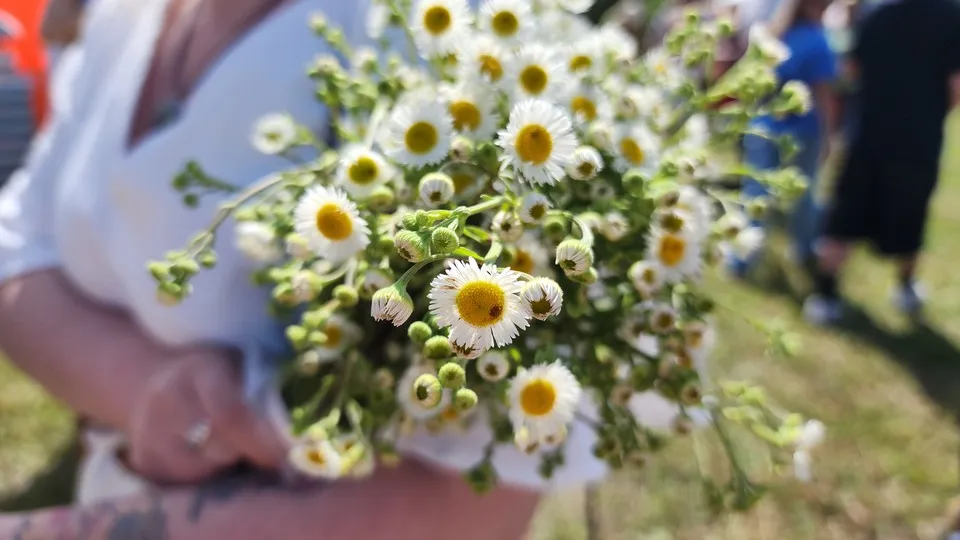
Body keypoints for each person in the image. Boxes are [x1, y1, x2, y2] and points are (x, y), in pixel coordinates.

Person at [0, 0, 607, 537]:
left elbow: (464, 507)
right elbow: (18, 245)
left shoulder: (449, 41)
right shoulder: (124, 18)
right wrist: (152, 390)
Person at [804, 0, 960, 324]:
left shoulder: (876, 11)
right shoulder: (952, 15)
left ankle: (824, 294)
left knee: (845, 211)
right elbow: (955, 86)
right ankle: (905, 288)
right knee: (910, 215)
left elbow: (850, 70)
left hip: (867, 132)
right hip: (919, 139)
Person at [729, 0, 838, 276]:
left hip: (763, 126)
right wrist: (829, 136)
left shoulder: (774, 33)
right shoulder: (819, 42)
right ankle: (804, 248)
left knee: (755, 190)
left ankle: (743, 255)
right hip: (804, 133)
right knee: (803, 193)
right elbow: (824, 97)